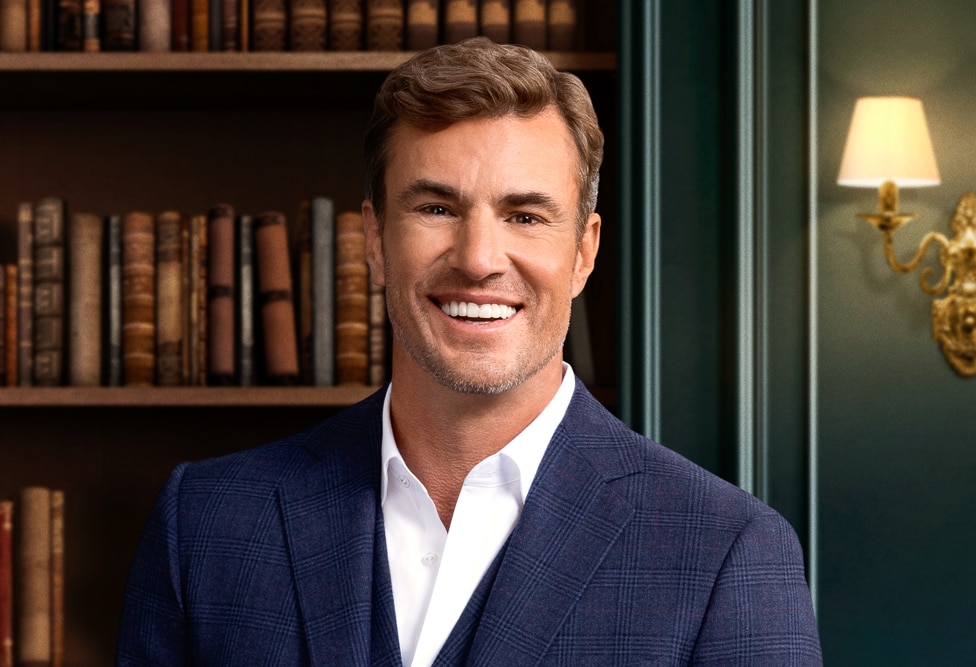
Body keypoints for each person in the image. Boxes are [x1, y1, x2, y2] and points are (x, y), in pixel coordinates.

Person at [116, 37, 822, 666]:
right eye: (437, 208)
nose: (479, 259)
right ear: (373, 239)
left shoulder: (726, 553)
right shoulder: (206, 523)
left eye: (524, 215)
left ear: (583, 252)